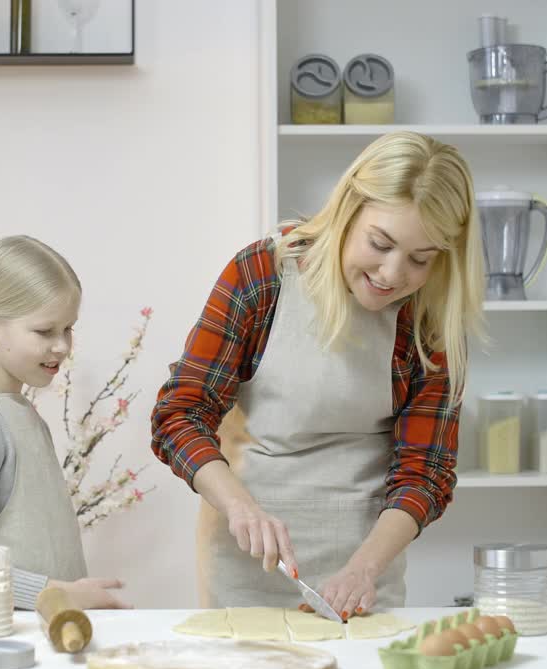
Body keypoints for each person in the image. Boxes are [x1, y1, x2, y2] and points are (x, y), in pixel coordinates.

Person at [151, 132, 484, 618]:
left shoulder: (430, 319)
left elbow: (425, 472)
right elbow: (180, 414)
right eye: (380, 243)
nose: (392, 274)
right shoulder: (262, 276)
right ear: (349, 208)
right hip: (247, 571)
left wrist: (365, 568)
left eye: (420, 258)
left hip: (364, 575)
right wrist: (239, 506)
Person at [0, 235, 130, 610]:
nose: (63, 346)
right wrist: (56, 594)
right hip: (3, 646)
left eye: (68, 329)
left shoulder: (20, 414)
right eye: (45, 331)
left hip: (42, 638)